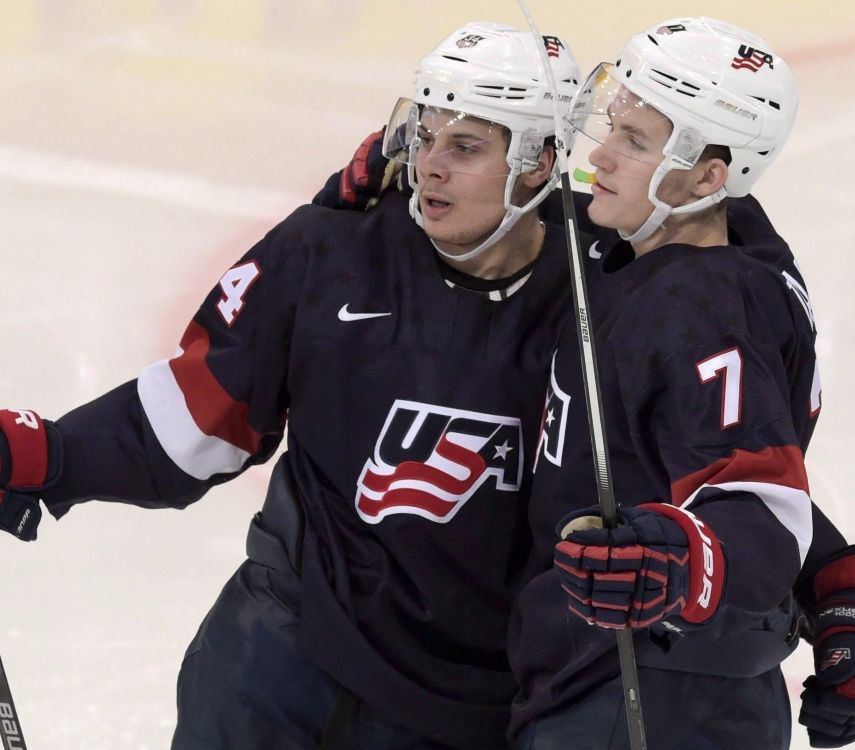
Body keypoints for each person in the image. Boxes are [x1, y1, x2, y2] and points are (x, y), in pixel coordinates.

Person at [0, 21, 584, 750]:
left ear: (539, 161)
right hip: (280, 659)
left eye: (464, 147)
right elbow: (192, 420)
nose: (429, 166)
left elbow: (738, 286)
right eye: (424, 133)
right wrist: (39, 454)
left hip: (467, 705)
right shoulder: (332, 250)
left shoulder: (604, 303)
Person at [501, 17, 855, 750]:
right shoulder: (708, 243)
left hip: (652, 690)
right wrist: (830, 567)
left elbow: (751, 497)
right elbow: (689, 452)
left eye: (635, 141)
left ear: (709, 175)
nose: (603, 155)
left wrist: (681, 556)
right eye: (615, 127)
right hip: (641, 676)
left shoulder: (699, 306)